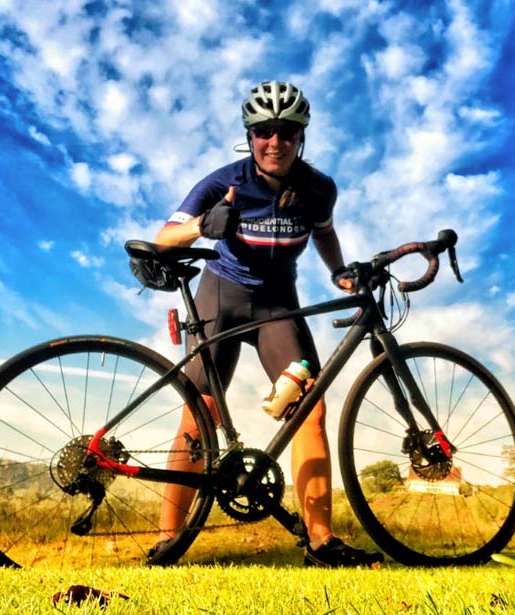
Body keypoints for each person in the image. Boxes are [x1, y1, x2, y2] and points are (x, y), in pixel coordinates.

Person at [150, 80, 382, 568]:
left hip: (278, 303)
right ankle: (167, 542)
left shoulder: (318, 189)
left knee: (310, 409)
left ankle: (321, 542)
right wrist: (202, 225)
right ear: (250, 134)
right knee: (199, 417)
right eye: (264, 131)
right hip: (222, 296)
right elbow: (164, 236)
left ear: (301, 136)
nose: (275, 141)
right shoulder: (223, 181)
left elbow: (325, 233)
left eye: (287, 131)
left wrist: (338, 270)